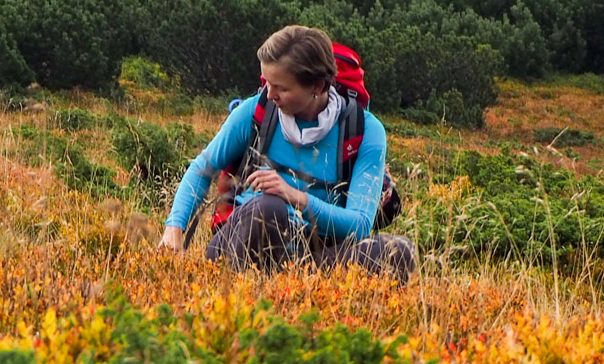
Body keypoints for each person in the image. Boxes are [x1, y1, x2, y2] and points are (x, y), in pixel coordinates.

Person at [158, 24, 417, 281]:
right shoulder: (255, 111)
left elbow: (359, 225)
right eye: (267, 83)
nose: (269, 95)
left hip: (318, 256)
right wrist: (174, 229)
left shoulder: (364, 130)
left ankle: (297, 294)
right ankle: (240, 295)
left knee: (399, 252)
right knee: (269, 209)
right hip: (242, 244)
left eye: (281, 88)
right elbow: (202, 169)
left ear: (317, 85)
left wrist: (296, 197)